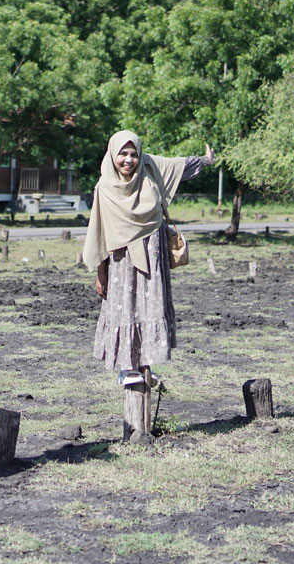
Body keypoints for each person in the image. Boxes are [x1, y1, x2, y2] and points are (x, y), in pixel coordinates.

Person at [82, 130, 213, 424]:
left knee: (151, 307)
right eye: (123, 153)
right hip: (121, 266)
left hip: (153, 261)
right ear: (112, 154)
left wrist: (205, 160)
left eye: (134, 153)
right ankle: (127, 366)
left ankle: (146, 362)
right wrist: (100, 275)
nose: (128, 159)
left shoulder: (150, 171)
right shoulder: (105, 188)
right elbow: (100, 235)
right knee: (125, 308)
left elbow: (179, 166)